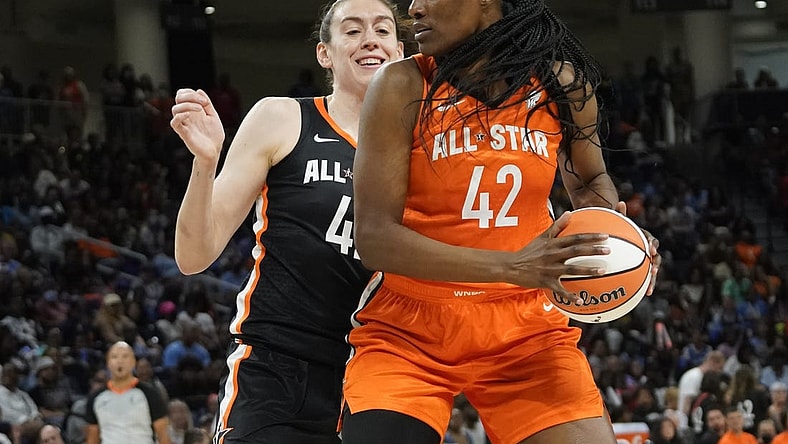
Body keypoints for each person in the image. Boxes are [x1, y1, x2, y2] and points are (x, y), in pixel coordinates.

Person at [340, 0, 661, 443]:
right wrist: (511, 267)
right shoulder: (400, 84)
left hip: (526, 331)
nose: (413, 7)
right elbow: (374, 238)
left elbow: (590, 180)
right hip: (410, 330)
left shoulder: (561, 84)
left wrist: (614, 240)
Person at [168, 0, 407, 441]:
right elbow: (193, 256)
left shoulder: (425, 152)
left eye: (382, 29)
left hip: (380, 378)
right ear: (325, 53)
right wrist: (205, 164)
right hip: (277, 367)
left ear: (400, 49)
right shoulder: (282, 118)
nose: (370, 39)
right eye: (353, 31)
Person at [84, 341, 171, 444]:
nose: (120, 361)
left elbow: (163, 436)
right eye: (114, 357)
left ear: (133, 362)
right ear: (108, 363)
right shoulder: (96, 398)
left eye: (125, 356)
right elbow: (92, 439)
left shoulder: (149, 394)